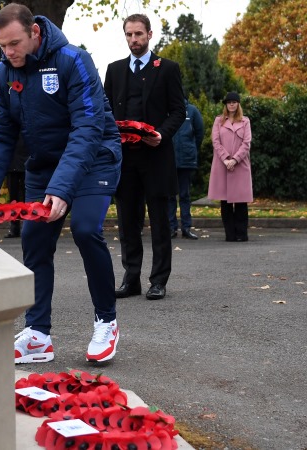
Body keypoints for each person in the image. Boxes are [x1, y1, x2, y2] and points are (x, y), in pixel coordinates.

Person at [0, 4, 122, 363]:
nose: (9, 53)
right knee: (34, 238)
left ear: (35, 32)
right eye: (2, 46)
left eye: (15, 43)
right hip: (45, 165)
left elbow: (87, 129)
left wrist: (62, 190)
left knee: (85, 229)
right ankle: (38, 334)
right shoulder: (3, 74)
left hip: (95, 155)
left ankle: (107, 321)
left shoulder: (74, 60)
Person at [103, 14, 185, 301]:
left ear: (150, 35)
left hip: (157, 156)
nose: (134, 40)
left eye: (139, 34)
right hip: (125, 159)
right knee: (128, 222)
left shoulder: (168, 69)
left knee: (161, 222)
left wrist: (161, 134)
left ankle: (159, 280)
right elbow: (106, 112)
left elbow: (178, 111)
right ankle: (131, 279)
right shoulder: (113, 71)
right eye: (129, 34)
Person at [208, 92, 253, 242]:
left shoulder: (245, 121)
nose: (231, 104)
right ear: (226, 105)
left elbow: (246, 143)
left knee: (241, 202)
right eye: (229, 102)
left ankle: (241, 234)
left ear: (238, 104)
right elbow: (215, 142)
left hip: (240, 166)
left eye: (234, 102)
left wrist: (235, 159)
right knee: (225, 202)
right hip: (222, 165)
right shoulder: (218, 121)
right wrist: (226, 159)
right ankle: (230, 234)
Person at [169, 98, 204, 240]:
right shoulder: (166, 110)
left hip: (186, 160)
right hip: (169, 160)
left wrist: (191, 149)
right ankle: (171, 227)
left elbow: (199, 133)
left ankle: (186, 227)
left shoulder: (192, 111)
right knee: (170, 196)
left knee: (185, 195)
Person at [4, 138, 28, 238]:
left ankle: (26, 227)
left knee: (26, 198)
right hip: (12, 165)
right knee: (13, 198)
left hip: (25, 164)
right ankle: (15, 227)